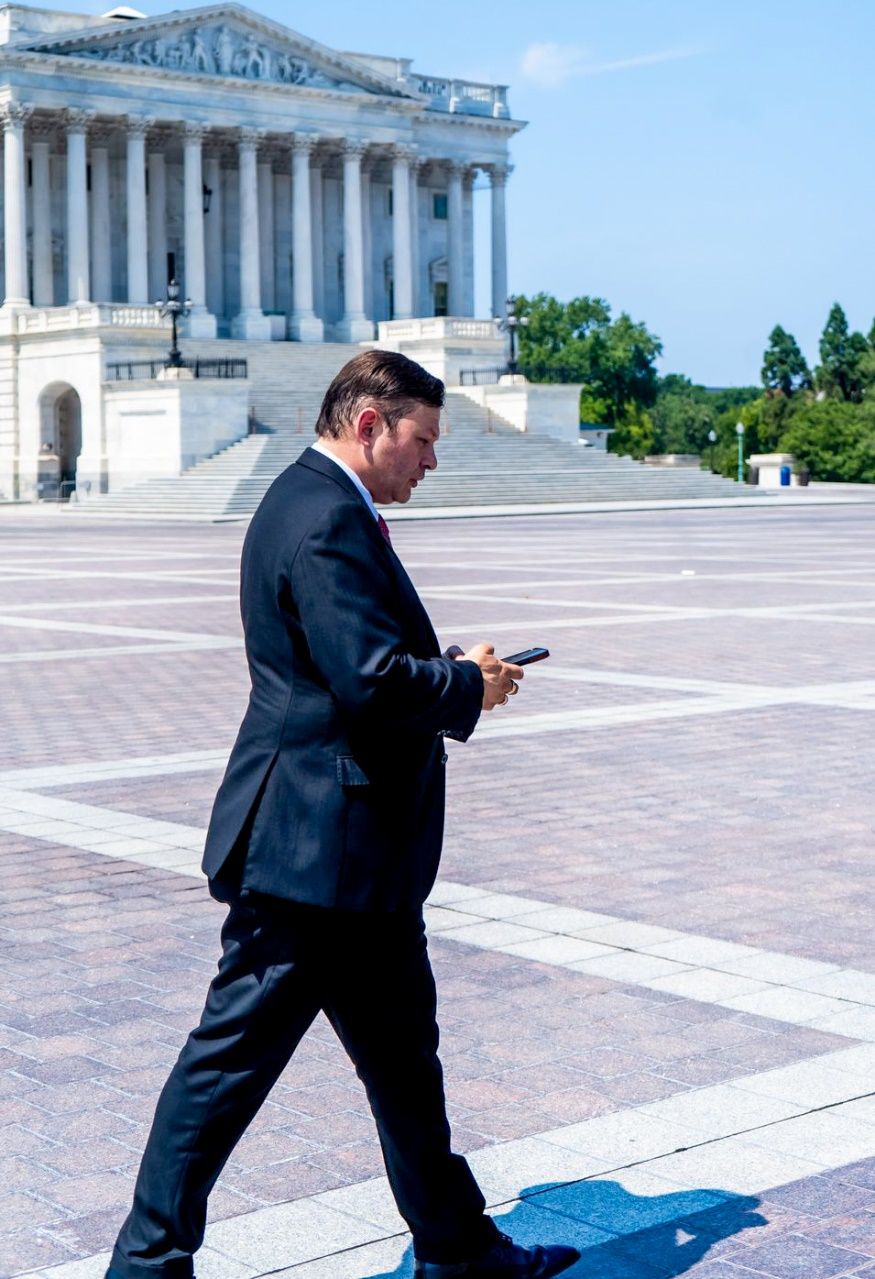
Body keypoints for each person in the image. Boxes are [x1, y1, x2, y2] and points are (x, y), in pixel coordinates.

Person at [106, 351, 580, 1279]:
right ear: (370, 423)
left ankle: (457, 1244)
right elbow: (367, 682)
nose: (429, 462)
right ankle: (145, 1264)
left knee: (404, 1062)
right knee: (225, 1070)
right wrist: (464, 684)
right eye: (421, 440)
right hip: (314, 854)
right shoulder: (325, 516)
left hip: (350, 856)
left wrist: (442, 666)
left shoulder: (310, 502)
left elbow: (344, 661)